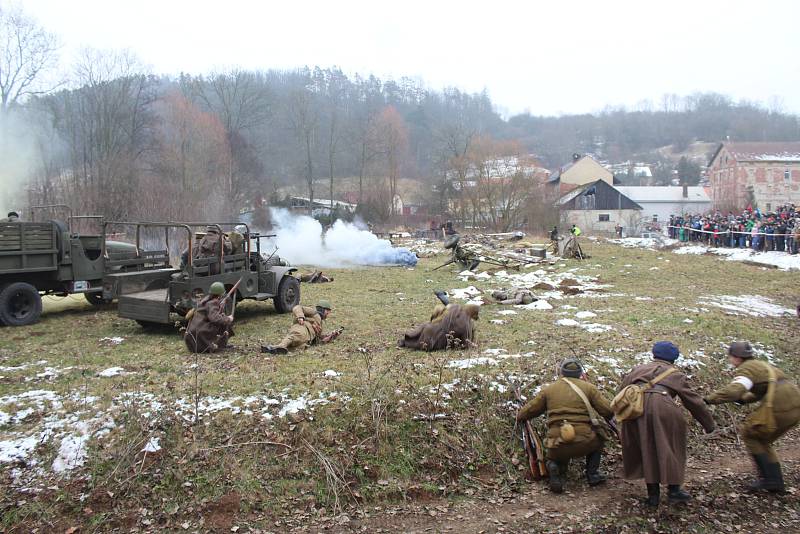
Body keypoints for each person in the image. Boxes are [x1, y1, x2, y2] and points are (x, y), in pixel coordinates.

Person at [619, 341, 715, 507]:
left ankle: (653, 497)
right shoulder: (674, 374)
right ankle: (674, 491)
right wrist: (709, 424)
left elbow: (622, 391)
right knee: (672, 447)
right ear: (673, 359)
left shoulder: (638, 369)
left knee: (645, 449)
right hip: (663, 408)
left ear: (654, 354)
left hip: (637, 410)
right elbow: (693, 401)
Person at [704, 342, 800, 493]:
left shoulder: (746, 369)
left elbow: (734, 391)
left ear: (736, 357)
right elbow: (763, 389)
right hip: (794, 403)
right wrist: (744, 399)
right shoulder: (759, 365)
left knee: (750, 434)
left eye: (730, 357)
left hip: (781, 404)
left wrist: (709, 399)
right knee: (763, 440)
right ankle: (775, 481)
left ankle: (769, 480)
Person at [516, 359, 614, 493]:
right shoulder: (589, 388)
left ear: (562, 372)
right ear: (580, 373)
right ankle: (593, 475)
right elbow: (607, 411)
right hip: (584, 441)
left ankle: (554, 466)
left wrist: (520, 415)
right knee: (600, 438)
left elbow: (531, 410)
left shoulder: (549, 389)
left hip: (557, 441)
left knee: (555, 454)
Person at [397, 290, 479, 351]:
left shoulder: (456, 309)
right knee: (425, 341)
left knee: (420, 334)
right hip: (436, 338)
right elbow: (466, 343)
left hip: (430, 330)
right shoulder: (466, 322)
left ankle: (407, 341)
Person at [261, 300, 340, 354]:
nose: (328, 314)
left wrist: (331, 336)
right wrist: (300, 317)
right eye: (327, 311)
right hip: (302, 328)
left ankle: (274, 349)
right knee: (295, 336)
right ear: (322, 309)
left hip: (306, 339)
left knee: (296, 346)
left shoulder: (320, 323)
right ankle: (279, 346)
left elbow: (319, 340)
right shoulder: (313, 313)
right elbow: (297, 307)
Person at [184, 282, 234, 353]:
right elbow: (215, 319)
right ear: (220, 294)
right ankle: (219, 346)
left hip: (194, 334)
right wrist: (228, 318)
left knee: (223, 319)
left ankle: (220, 345)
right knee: (224, 322)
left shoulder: (207, 299)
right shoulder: (212, 302)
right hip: (200, 334)